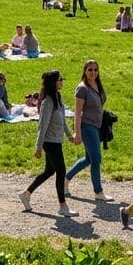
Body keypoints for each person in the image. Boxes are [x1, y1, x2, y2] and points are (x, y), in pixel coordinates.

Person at [18, 70, 78, 217]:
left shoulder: (58, 97)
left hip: (57, 141)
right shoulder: (47, 102)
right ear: (53, 83)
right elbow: (42, 125)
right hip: (49, 142)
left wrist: (70, 136)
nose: (62, 81)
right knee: (61, 171)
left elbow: (63, 119)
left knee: (49, 171)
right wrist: (38, 147)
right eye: (60, 80)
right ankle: (63, 206)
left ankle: (26, 194)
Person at [65, 60, 112, 201]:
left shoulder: (97, 85)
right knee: (96, 159)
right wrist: (77, 132)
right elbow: (77, 113)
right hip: (87, 126)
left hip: (97, 126)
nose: (93, 72)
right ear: (85, 71)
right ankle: (98, 192)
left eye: (95, 70)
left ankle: (65, 180)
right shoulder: (82, 89)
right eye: (90, 70)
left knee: (88, 159)